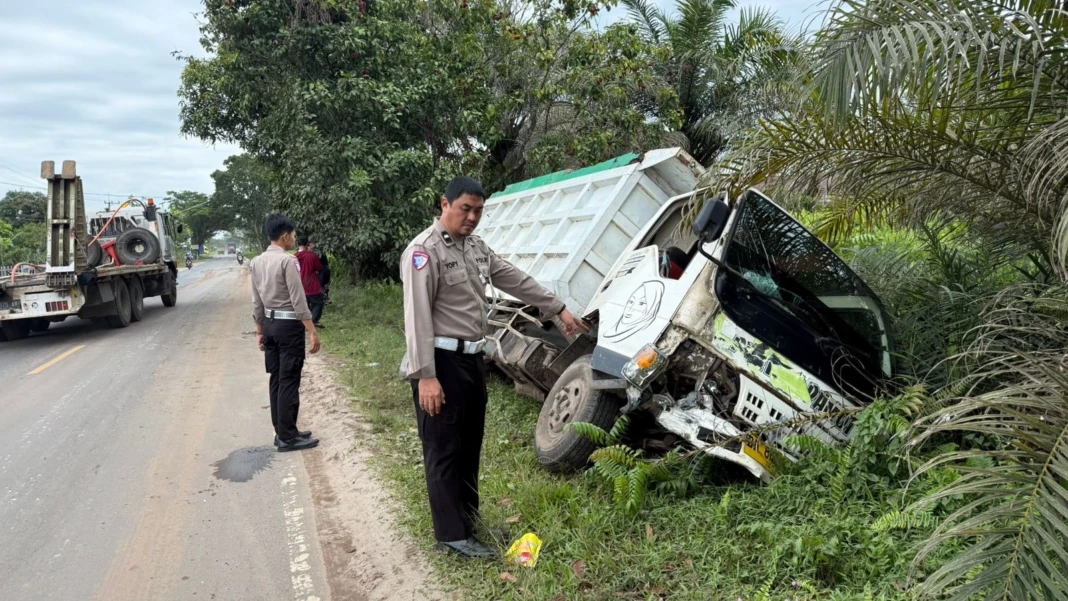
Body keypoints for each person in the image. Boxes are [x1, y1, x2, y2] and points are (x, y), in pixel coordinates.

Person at [400, 176, 589, 559]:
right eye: (464, 208)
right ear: (444, 204)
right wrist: (426, 377)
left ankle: (468, 519)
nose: (471, 217)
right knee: (443, 449)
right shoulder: (424, 251)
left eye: (478, 211)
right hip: (440, 363)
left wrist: (558, 308)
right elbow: (417, 317)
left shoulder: (475, 248)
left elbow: (516, 280)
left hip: (472, 359)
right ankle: (451, 535)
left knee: (469, 445)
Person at [250, 215, 321, 452]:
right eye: (292, 235)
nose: (293, 239)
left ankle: (283, 430)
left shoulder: (257, 262)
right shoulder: (288, 262)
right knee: (289, 380)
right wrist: (312, 331)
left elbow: (256, 301)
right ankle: (288, 438)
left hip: (270, 325)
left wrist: (259, 330)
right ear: (284, 236)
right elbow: (298, 300)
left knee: (277, 379)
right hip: (288, 327)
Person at [295, 237, 325, 326]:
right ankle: (314, 321)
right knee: (318, 303)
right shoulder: (312, 256)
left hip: (299, 285)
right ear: (307, 244)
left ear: (298, 245)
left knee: (304, 305)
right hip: (312, 285)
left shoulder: (293, 257)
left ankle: (304, 322)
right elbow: (319, 268)